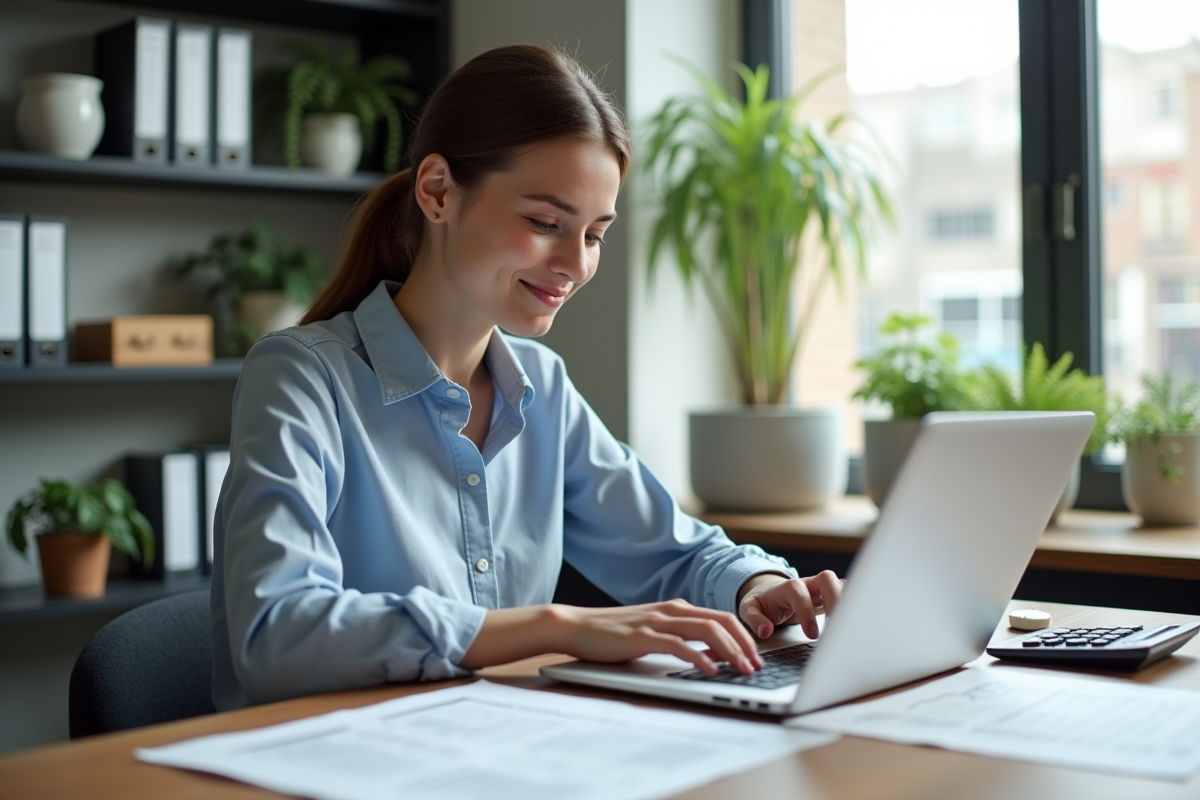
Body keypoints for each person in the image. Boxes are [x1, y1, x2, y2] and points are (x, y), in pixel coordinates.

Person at [211, 44, 843, 711]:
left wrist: (758, 586)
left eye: (595, 234)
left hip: (494, 749)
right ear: (437, 192)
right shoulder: (300, 377)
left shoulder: (542, 386)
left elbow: (672, 550)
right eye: (545, 223)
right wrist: (552, 626)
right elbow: (276, 635)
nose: (574, 263)